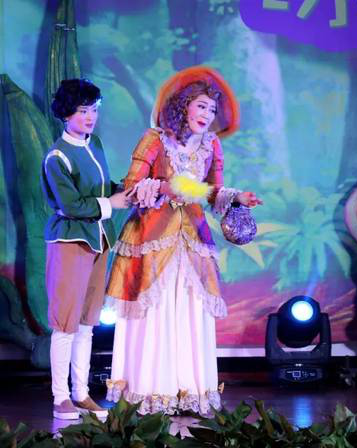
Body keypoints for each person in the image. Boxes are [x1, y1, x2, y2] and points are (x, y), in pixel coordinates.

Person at [105, 66, 261, 415]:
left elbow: (211, 191)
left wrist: (237, 197)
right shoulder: (154, 139)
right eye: (201, 106)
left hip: (192, 237)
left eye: (212, 109)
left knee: (190, 312)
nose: (207, 115)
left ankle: (188, 389)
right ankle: (151, 390)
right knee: (155, 312)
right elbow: (130, 187)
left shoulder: (212, 145)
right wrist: (164, 187)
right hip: (153, 236)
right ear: (184, 106)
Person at [42, 79, 131, 420]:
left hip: (98, 239)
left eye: (94, 109)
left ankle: (81, 394)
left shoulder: (96, 145)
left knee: (86, 323)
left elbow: (103, 187)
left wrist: (127, 190)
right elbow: (71, 205)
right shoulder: (57, 157)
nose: (90, 117)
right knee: (65, 324)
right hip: (70, 242)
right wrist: (112, 203)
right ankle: (60, 397)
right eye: (83, 111)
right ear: (67, 114)